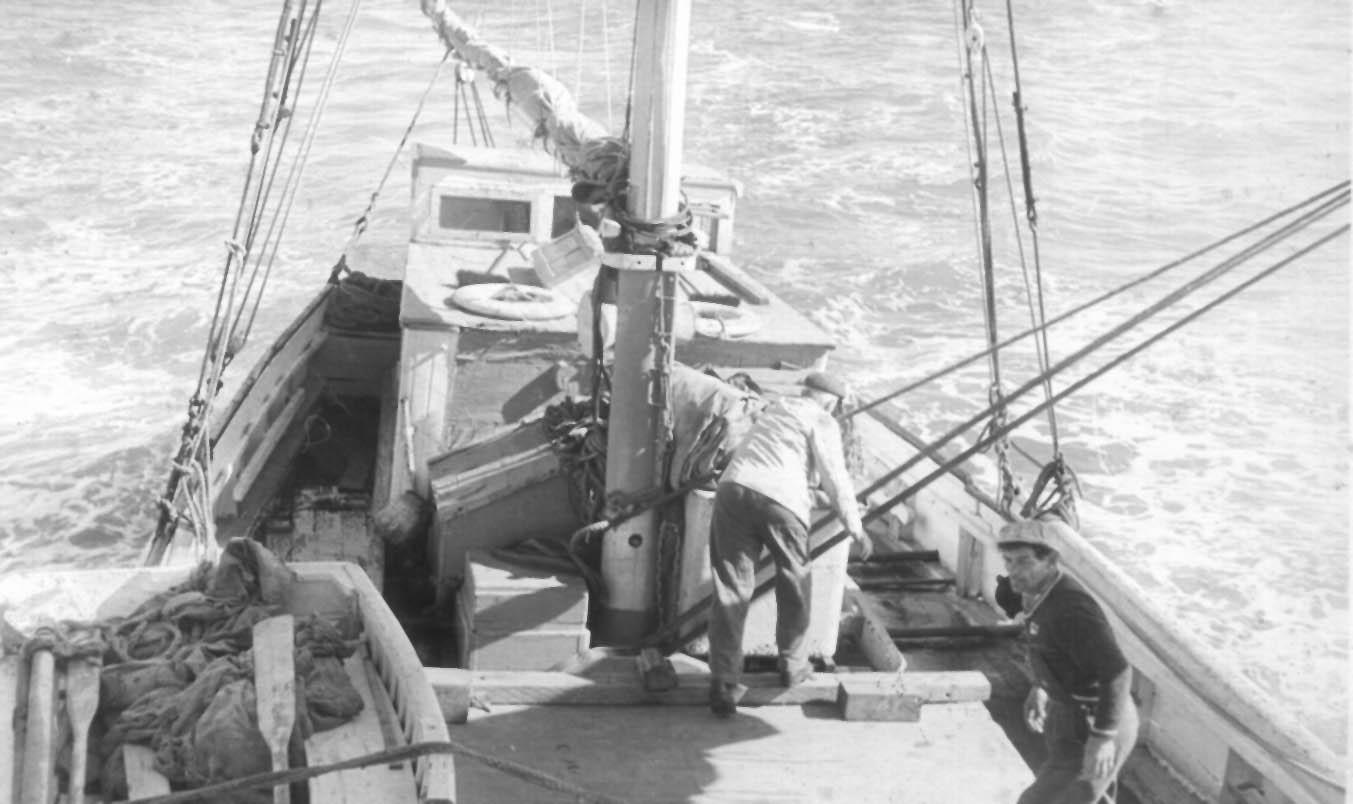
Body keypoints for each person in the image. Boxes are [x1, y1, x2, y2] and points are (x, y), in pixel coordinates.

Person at [706, 371, 871, 717]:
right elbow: (834, 476)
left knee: (731, 588)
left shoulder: (777, 408)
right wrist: (856, 528)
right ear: (832, 402)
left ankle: (723, 681)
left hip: (733, 489)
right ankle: (793, 665)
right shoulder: (822, 418)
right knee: (795, 579)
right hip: (781, 501)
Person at [997, 517, 1139, 804]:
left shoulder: (1072, 608)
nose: (1013, 571)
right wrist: (1040, 687)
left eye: (1023, 562)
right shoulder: (1038, 593)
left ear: (1050, 560)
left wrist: (1102, 738)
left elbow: (1119, 672)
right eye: (1008, 561)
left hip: (1098, 719)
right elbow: (1053, 648)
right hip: (1068, 714)